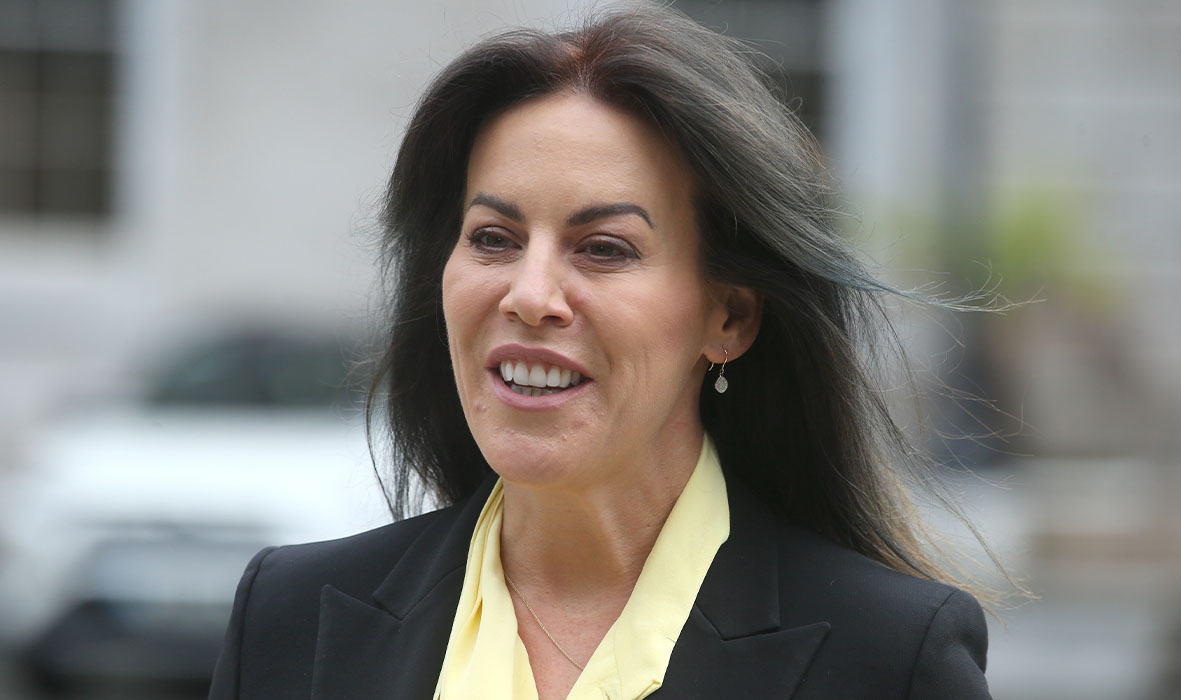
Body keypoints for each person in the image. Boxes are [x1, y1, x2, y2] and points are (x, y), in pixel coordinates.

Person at [208, 4, 995, 699]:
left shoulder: (889, 660)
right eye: (493, 238)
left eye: (605, 248)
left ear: (730, 317)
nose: (529, 293)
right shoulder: (288, 618)